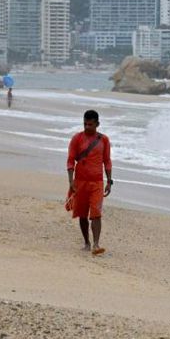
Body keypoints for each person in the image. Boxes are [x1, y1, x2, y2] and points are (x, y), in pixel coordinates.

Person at [67, 109, 113, 255]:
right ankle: (86, 242)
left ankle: (96, 244)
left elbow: (107, 161)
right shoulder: (77, 139)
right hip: (80, 182)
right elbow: (70, 161)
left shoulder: (103, 140)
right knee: (82, 214)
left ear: (97, 124)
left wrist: (109, 181)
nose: (87, 127)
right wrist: (70, 182)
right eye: (85, 124)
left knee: (96, 213)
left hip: (97, 183)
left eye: (91, 125)